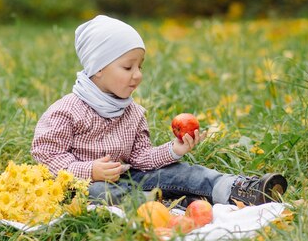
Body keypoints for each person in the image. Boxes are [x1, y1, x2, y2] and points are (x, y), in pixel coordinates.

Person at [31, 14, 287, 207]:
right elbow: (46, 155)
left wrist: (175, 150)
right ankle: (165, 203)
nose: (137, 75)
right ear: (98, 68)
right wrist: (89, 171)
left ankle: (241, 190)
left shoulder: (132, 112)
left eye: (140, 67)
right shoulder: (66, 111)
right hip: (81, 184)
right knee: (98, 194)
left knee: (183, 172)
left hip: (128, 176)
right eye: (128, 67)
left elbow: (141, 158)